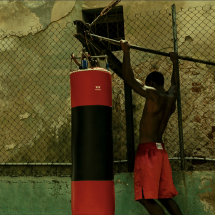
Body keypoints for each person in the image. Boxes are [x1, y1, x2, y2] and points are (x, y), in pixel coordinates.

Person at [120, 40, 183, 215]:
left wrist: (126, 52)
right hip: (160, 151)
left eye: (147, 84)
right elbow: (175, 85)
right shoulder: (171, 99)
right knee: (164, 196)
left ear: (151, 83)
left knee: (144, 197)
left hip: (148, 152)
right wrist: (175, 62)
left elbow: (130, 79)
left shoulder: (153, 94)